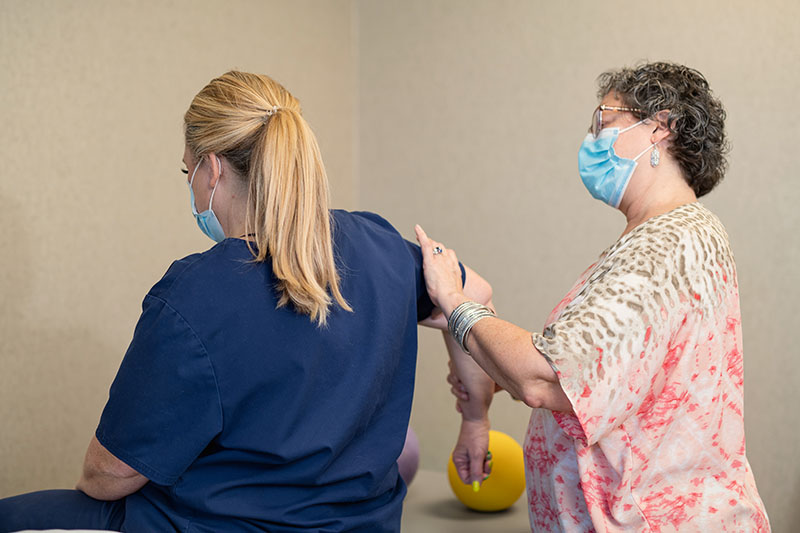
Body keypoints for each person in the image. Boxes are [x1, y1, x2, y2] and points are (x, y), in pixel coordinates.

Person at [0, 71, 492, 532]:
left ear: (212, 170)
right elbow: (470, 299)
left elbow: (110, 475)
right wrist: (475, 419)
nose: (190, 183)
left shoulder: (195, 292)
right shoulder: (378, 243)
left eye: (187, 170)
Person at [415, 62, 770, 531]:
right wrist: (480, 399)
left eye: (603, 120)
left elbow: (545, 379)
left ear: (658, 128)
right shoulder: (668, 237)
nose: (591, 137)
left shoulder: (667, 245)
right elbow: (595, 375)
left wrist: (457, 303)